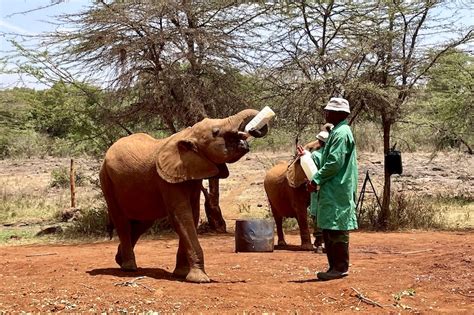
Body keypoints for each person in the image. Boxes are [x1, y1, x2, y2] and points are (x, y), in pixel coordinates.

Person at [297, 97, 358, 281]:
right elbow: (327, 159)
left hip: (337, 188)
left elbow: (334, 162)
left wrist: (316, 179)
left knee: (337, 227)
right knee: (331, 227)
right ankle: (334, 267)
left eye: (330, 111)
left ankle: (339, 267)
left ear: (339, 114)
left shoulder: (341, 133)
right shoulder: (338, 132)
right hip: (332, 187)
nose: (326, 113)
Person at [308, 130, 329, 253]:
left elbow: (311, 172)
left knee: (317, 214)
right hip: (329, 188)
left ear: (320, 142)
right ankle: (328, 242)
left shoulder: (315, 155)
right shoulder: (332, 154)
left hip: (317, 187)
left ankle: (319, 242)